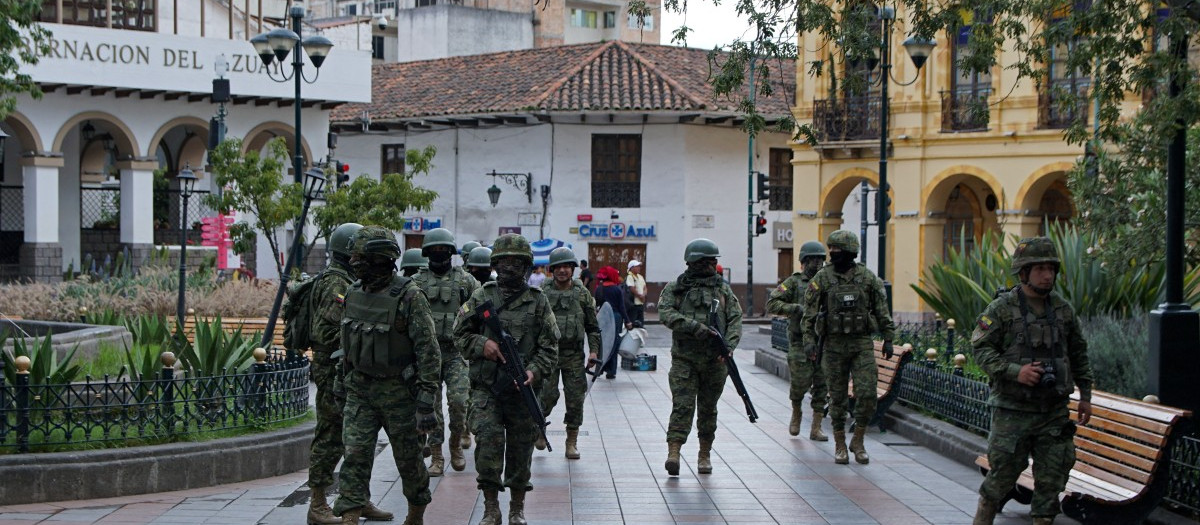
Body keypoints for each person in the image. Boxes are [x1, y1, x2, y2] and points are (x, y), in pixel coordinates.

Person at [972, 237, 1094, 525]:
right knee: (1000, 479)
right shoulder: (1001, 309)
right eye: (1039, 268)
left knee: (1051, 484)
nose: (1047, 275)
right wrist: (1017, 372)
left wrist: (1086, 395)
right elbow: (980, 349)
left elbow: (1078, 353)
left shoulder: (1063, 311)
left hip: (1053, 413)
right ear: (1024, 272)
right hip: (1012, 412)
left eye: (1051, 268)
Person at [332, 226, 441, 525]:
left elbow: (428, 351)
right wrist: (340, 385)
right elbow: (346, 346)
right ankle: (350, 516)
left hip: (399, 394)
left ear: (380, 259)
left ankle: (416, 513)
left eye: (360, 257)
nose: (353, 263)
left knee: (409, 462)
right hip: (360, 390)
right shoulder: (353, 293)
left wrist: (425, 402)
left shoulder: (409, 296)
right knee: (354, 455)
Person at [452, 233, 558, 525]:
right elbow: (458, 333)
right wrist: (481, 346)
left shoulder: (538, 301)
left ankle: (516, 507)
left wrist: (533, 371)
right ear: (495, 263)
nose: (510, 267)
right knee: (487, 443)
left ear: (526, 265)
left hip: (521, 389)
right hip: (486, 388)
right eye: (504, 261)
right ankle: (490, 507)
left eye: (516, 262)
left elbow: (550, 347)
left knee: (521, 449)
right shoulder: (482, 296)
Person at [304, 222, 395, 525]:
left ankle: (358, 498)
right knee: (331, 436)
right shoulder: (335, 283)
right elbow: (330, 329)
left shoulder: (348, 280)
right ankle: (317, 504)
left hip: (348, 369)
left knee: (358, 439)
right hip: (332, 369)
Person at [800, 230, 895, 465]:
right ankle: (840, 443)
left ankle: (859, 439)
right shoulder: (822, 278)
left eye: (838, 251)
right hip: (833, 345)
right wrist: (809, 342)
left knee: (867, 393)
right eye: (830, 250)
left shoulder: (867, 278)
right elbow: (809, 314)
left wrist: (889, 337)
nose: (833, 255)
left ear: (851, 252)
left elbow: (882, 310)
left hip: (861, 343)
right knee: (838, 397)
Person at [657, 238, 742, 476]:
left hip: (715, 361)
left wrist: (730, 345)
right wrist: (694, 327)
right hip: (685, 359)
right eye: (706, 261)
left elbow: (735, 319)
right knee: (682, 406)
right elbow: (665, 313)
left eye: (713, 261)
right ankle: (673, 452)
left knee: (708, 408)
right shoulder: (677, 288)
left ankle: (704, 454)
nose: (711, 265)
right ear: (693, 262)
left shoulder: (722, 289)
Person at [413, 228, 479, 476]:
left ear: (451, 253)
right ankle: (437, 455)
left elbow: (482, 310)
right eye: (434, 250)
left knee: (459, 401)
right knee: (431, 407)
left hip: (456, 352)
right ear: (427, 253)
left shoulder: (466, 281)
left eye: (444, 250)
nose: (439, 254)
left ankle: (456, 445)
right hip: (428, 354)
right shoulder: (417, 282)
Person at [537, 247, 601, 457]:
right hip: (548, 354)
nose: (563, 270)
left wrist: (593, 352)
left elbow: (593, 327)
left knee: (575, 400)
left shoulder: (582, 294)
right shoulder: (542, 293)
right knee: (547, 395)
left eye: (567, 266)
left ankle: (571, 441)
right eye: (558, 267)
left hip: (573, 356)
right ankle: (539, 427)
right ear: (551, 269)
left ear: (573, 269)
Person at [766, 240, 830, 442]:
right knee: (799, 383)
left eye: (820, 259)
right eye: (813, 259)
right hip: (799, 342)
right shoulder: (794, 283)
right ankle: (796, 412)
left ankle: (816, 426)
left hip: (823, 342)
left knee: (821, 385)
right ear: (803, 261)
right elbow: (772, 303)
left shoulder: (828, 282)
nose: (817, 263)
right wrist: (794, 309)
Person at [594, 265, 632, 379]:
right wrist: (627, 321)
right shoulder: (617, 289)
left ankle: (600, 368)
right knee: (614, 344)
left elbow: (597, 305)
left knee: (602, 344)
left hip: (603, 318)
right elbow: (621, 307)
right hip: (615, 318)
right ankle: (611, 371)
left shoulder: (599, 288)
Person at [625, 260, 647, 328]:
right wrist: (640, 296)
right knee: (633, 323)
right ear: (631, 268)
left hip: (640, 304)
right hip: (633, 304)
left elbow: (645, 287)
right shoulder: (630, 276)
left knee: (641, 323)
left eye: (639, 266)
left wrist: (643, 294)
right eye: (637, 266)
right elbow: (632, 288)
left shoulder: (640, 276)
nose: (639, 268)